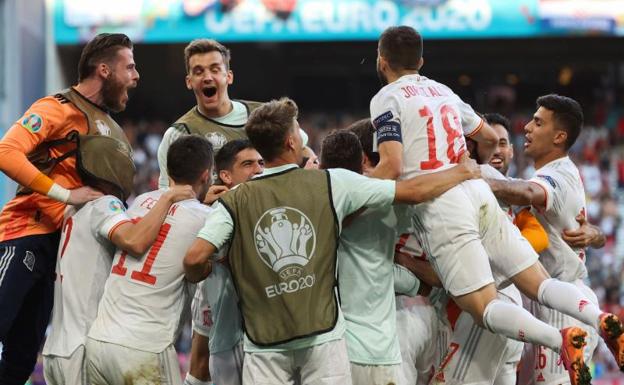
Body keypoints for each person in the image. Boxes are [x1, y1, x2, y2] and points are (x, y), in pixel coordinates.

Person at [370, 25, 622, 385]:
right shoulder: (442, 91)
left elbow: (392, 166)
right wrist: (478, 168)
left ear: (381, 63)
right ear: (421, 61)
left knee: (484, 307)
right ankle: (599, 318)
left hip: (443, 204)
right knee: (539, 284)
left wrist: (356, 193)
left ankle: (560, 340)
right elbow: (487, 136)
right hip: (477, 193)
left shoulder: (385, 99)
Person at [183, 97, 481, 385]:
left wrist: (214, 267)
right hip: (322, 338)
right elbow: (412, 192)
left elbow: (194, 260)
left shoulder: (234, 201)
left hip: (264, 343)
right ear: (290, 142)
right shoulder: (331, 182)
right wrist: (463, 170)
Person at [0, 33, 139, 384]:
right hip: (23, 235)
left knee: (19, 363)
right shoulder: (56, 107)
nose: (136, 76)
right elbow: (6, 152)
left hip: (60, 255)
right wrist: (65, 194)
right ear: (104, 70)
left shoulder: (110, 129)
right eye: (130, 66)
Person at [485, 95, 623, 384]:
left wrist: (473, 178)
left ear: (559, 136)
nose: (528, 129)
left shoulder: (556, 174)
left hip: (561, 306)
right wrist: (596, 235)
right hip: (551, 302)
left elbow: (529, 194)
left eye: (538, 122)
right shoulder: (554, 172)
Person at [42, 144, 194, 385]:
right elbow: (134, 240)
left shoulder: (73, 207)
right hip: (83, 343)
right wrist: (167, 198)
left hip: (57, 346)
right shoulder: (105, 204)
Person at [86, 135, 215, 385]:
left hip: (100, 341)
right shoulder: (207, 218)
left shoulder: (142, 201)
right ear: (206, 174)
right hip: (145, 346)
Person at [320, 128, 423, 385]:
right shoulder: (389, 204)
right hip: (377, 348)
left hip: (329, 350)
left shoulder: (313, 203)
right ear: (362, 163)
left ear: (321, 164)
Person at [185, 139, 264, 385]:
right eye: (248, 164)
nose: (259, 170)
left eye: (261, 163)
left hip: (258, 327)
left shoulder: (264, 202)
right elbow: (193, 260)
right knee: (200, 361)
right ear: (226, 176)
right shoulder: (215, 211)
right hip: (225, 321)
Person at [157, 39, 263, 188]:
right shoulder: (179, 133)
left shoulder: (263, 115)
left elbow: (302, 154)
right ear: (189, 81)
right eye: (199, 72)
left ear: (229, 76)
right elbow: (167, 194)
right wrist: (202, 200)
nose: (207, 78)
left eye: (215, 70)